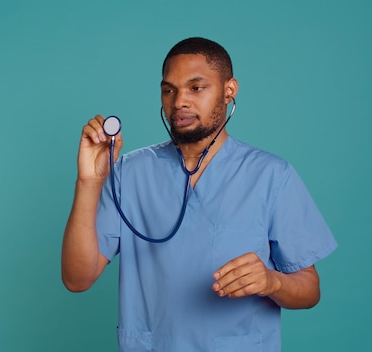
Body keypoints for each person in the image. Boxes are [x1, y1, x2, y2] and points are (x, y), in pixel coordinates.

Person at [62, 37, 337, 352]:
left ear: (229, 90)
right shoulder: (129, 172)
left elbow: (309, 290)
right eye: (169, 90)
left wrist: (272, 282)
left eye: (196, 88)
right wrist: (89, 181)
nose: (179, 102)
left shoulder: (271, 175)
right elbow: (77, 279)